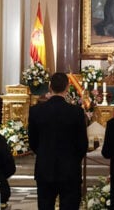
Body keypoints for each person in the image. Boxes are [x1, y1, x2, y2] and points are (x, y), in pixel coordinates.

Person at [28, 72, 89, 210]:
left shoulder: (36, 111)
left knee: (45, 206)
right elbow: (82, 144)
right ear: (67, 87)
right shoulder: (76, 112)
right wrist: (73, 159)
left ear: (50, 86)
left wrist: (44, 153)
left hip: (45, 169)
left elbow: (33, 141)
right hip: (70, 170)